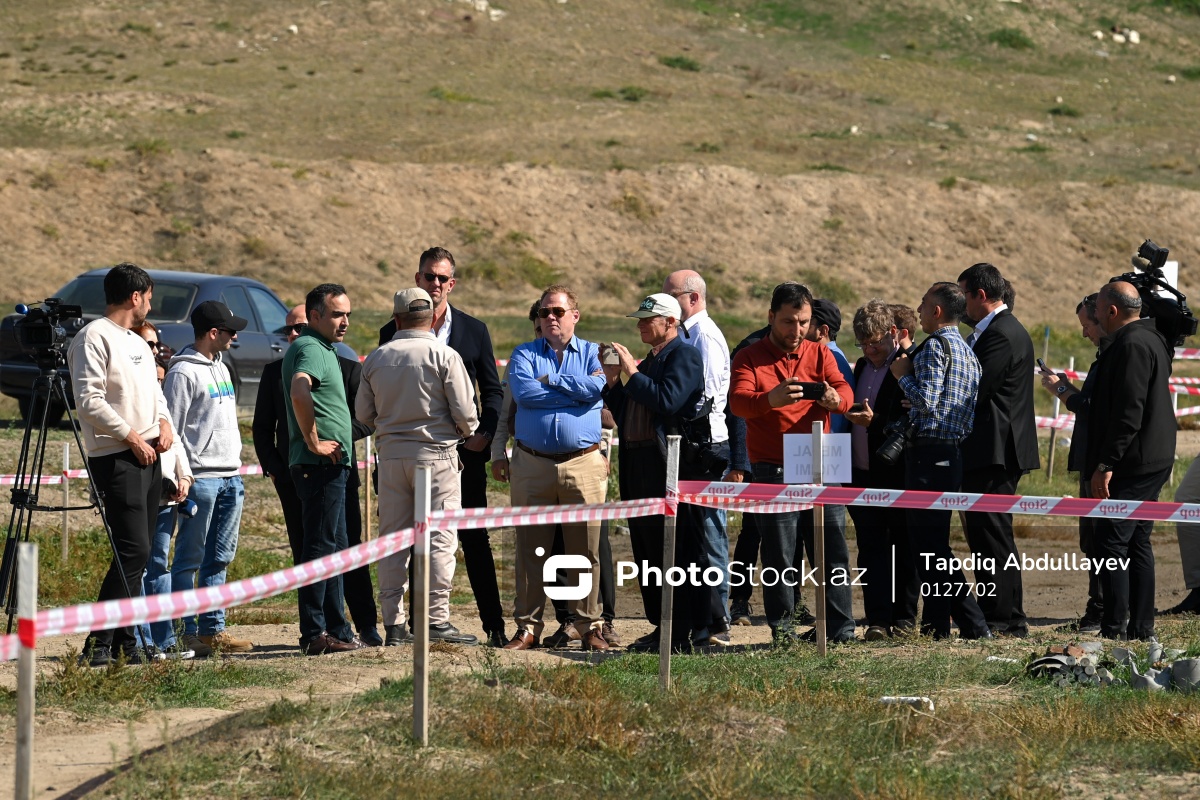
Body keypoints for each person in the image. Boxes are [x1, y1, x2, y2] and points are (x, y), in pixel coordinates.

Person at [378, 247, 506, 646]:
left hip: (464, 454)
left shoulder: (474, 330)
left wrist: (484, 434)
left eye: (442, 278)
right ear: (417, 279)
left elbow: (493, 391)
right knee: (406, 538)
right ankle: (412, 625)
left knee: (472, 540)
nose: (435, 284)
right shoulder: (391, 330)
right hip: (407, 454)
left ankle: (494, 628)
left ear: (452, 283)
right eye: (429, 276)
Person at [729, 282, 857, 645]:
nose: (796, 330)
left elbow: (845, 392)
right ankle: (783, 633)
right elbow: (738, 402)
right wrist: (770, 400)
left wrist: (835, 400)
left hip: (822, 457)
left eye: (803, 322)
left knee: (832, 550)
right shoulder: (749, 356)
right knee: (779, 554)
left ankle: (840, 629)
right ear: (771, 317)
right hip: (772, 464)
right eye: (788, 321)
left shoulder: (821, 353)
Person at [492, 302, 621, 647]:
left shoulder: (594, 353)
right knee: (531, 549)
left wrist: (552, 381)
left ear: (575, 315)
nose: (551, 316)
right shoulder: (523, 354)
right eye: (545, 312)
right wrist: (576, 394)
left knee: (586, 550)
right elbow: (525, 395)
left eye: (559, 311)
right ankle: (528, 627)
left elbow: (596, 389)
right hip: (532, 463)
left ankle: (589, 624)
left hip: (583, 462)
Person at [253, 305, 381, 645]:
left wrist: (333, 441)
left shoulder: (345, 367)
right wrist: (279, 469)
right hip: (297, 474)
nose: (294, 335)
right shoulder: (277, 371)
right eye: (289, 330)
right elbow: (263, 427)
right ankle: (320, 629)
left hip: (338, 471)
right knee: (311, 550)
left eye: (300, 327)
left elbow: (366, 419)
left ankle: (362, 626)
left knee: (346, 549)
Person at [358, 288, 480, 646]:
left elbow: (363, 415)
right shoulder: (446, 356)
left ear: (397, 319)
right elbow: (467, 416)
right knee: (439, 539)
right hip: (437, 458)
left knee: (393, 540)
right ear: (431, 318)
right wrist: (461, 430)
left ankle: (394, 624)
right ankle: (435, 619)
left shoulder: (377, 358)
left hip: (392, 459)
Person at [67, 263, 174, 667]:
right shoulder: (93, 337)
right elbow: (88, 401)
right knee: (133, 550)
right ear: (135, 296)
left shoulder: (138, 342)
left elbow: (156, 394)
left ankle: (126, 643)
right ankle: (97, 643)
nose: (150, 305)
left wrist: (164, 423)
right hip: (117, 456)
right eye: (148, 297)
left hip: (150, 455)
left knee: (140, 555)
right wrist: (131, 437)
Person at [604, 293, 723, 652]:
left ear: (671, 322)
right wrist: (614, 382)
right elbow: (628, 411)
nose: (640, 325)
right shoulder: (654, 358)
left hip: (668, 465)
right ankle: (662, 625)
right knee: (648, 549)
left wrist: (632, 371)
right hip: (640, 464)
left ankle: (685, 628)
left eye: (647, 319)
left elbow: (668, 400)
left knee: (677, 549)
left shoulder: (684, 354)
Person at [890, 282, 991, 641]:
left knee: (928, 548)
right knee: (935, 546)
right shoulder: (967, 351)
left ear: (936, 311)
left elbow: (928, 401)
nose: (918, 310)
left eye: (923, 304)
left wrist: (903, 377)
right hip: (951, 454)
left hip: (928, 456)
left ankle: (973, 625)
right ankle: (938, 626)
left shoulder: (935, 347)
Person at [161, 301, 254, 656]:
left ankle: (213, 629)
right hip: (201, 480)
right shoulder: (183, 373)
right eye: (230, 331)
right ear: (213, 333)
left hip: (230, 477)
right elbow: (172, 430)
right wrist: (181, 476)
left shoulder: (221, 366)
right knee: (190, 558)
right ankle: (186, 631)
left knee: (220, 557)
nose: (235, 336)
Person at [1085, 281, 1175, 640]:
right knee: (1137, 541)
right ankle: (1140, 628)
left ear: (1112, 311)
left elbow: (1129, 412)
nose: (1094, 317)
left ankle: (1114, 629)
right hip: (1150, 456)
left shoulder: (1132, 344)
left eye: (1097, 310)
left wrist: (1106, 464)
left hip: (1134, 461)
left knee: (1112, 543)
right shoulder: (1150, 337)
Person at [957, 263, 1040, 638]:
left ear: (980, 295)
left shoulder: (1002, 334)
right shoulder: (992, 331)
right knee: (986, 536)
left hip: (996, 451)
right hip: (988, 450)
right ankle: (1003, 612)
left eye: (964, 295)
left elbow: (976, 388)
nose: (961, 305)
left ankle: (1004, 617)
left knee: (992, 537)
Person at [284, 283, 364, 655]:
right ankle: (314, 633)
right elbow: (299, 391)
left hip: (332, 467)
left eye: (347, 314)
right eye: (336, 314)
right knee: (318, 549)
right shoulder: (310, 348)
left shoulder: (324, 348)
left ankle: (337, 629)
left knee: (334, 549)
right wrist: (314, 441)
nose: (344, 321)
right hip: (319, 466)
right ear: (315, 316)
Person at [663, 269, 733, 641]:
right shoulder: (689, 333)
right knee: (697, 531)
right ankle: (705, 614)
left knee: (709, 531)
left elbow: (703, 395)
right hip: (694, 443)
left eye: (671, 296)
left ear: (693, 298)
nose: (665, 303)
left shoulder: (704, 335)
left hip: (706, 444)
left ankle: (719, 619)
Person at [844, 300, 918, 640]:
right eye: (863, 344)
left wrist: (875, 423)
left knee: (903, 547)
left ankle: (904, 619)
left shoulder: (908, 366)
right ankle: (877, 619)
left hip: (897, 473)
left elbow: (912, 419)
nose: (870, 350)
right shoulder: (860, 366)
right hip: (862, 474)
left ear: (892, 333)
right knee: (870, 549)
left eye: (875, 342)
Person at [1040, 294, 1105, 631]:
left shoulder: (1114, 357)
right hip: (1092, 460)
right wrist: (1068, 388)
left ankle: (1103, 611)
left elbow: (1093, 410)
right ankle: (1101, 608)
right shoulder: (1106, 357)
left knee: (1100, 541)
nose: (1084, 333)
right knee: (1092, 541)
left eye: (1087, 325)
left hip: (1100, 463)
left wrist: (1062, 391)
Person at [132, 321, 195, 660]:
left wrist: (185, 477)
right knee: (138, 567)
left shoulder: (161, 390)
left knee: (159, 565)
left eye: (156, 344)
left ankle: (165, 640)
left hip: (165, 497)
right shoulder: (127, 395)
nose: (154, 350)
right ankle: (140, 643)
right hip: (136, 494)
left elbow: (176, 442)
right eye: (148, 344)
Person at [805, 299, 855, 435]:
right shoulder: (831, 354)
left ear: (823, 331)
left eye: (807, 322)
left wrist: (826, 444)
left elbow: (836, 419)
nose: (800, 328)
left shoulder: (831, 359)